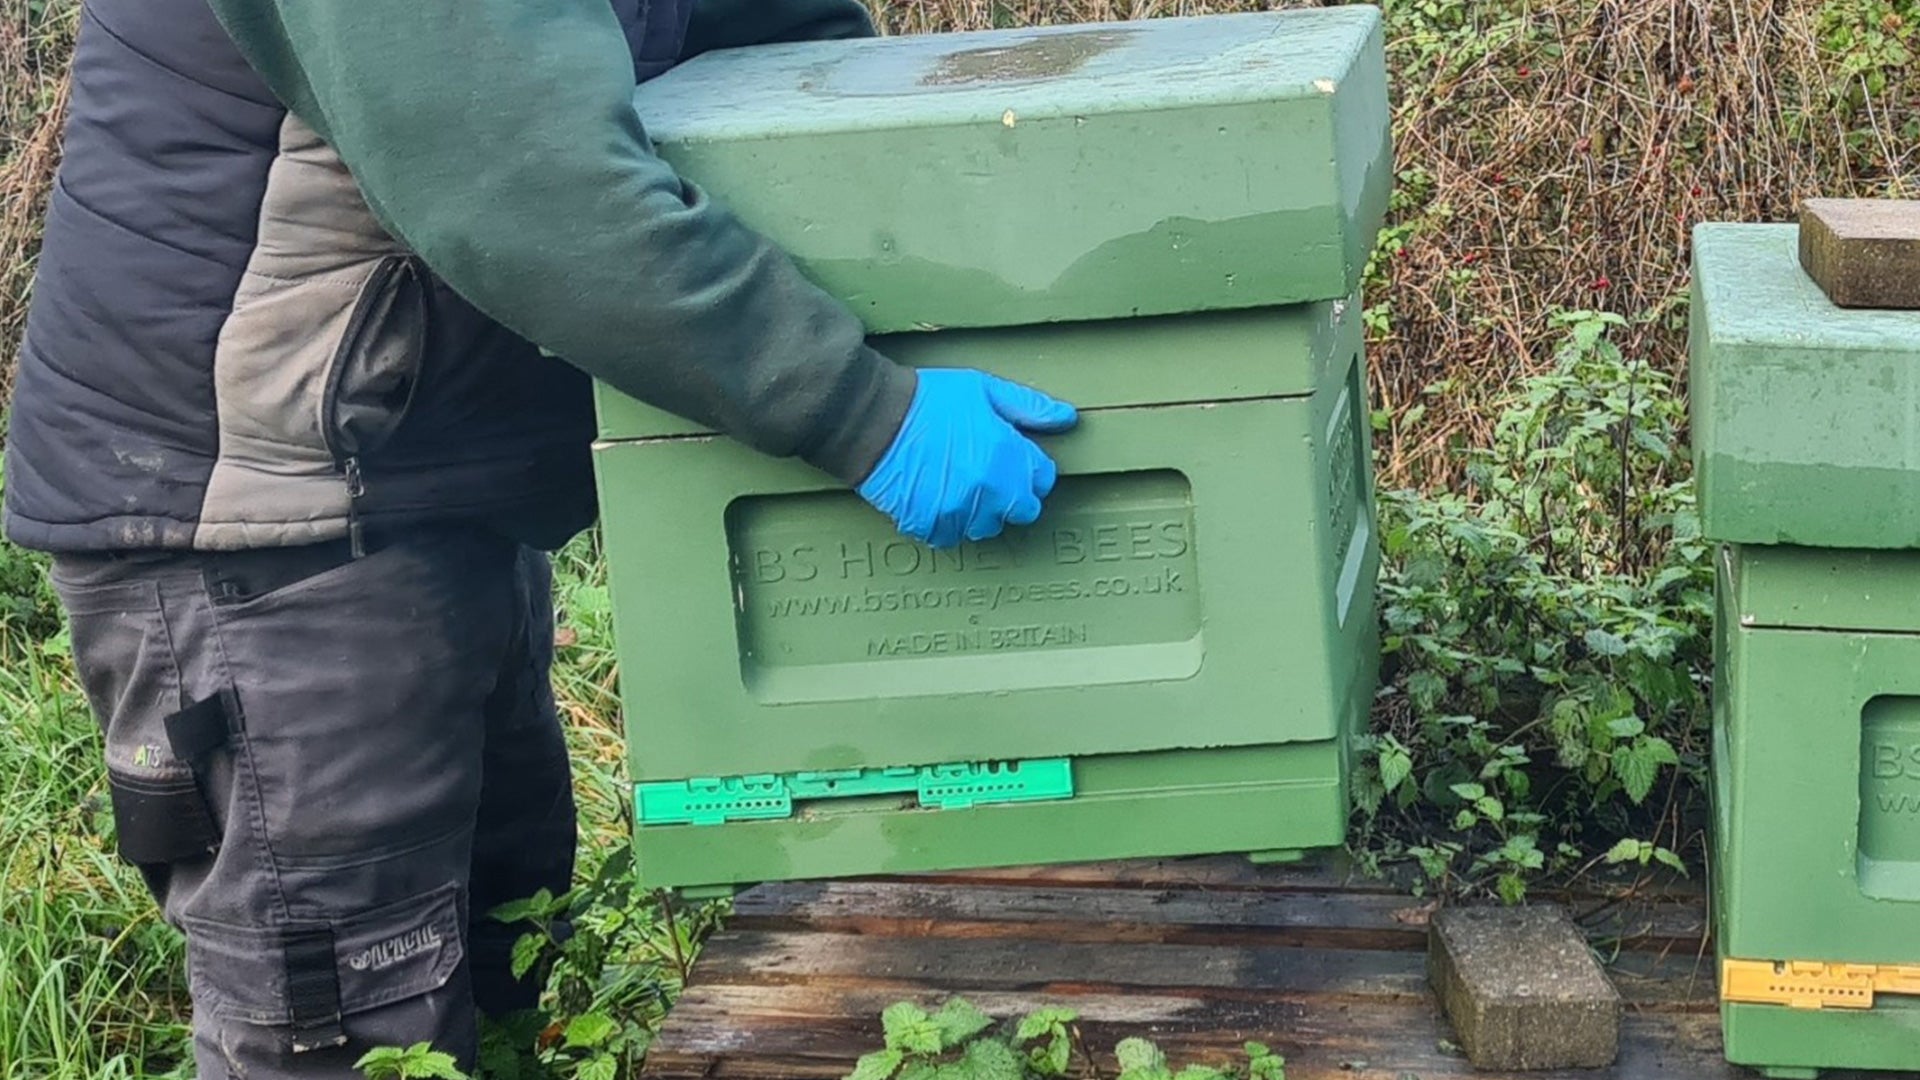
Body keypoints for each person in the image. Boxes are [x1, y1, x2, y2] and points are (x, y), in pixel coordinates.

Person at [1, 0, 1078, 1075]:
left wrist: (939, 218)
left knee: (498, 952)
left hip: (426, 476)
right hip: (265, 525)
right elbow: (517, 181)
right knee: (351, 1022)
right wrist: (856, 410)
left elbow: (777, 50)